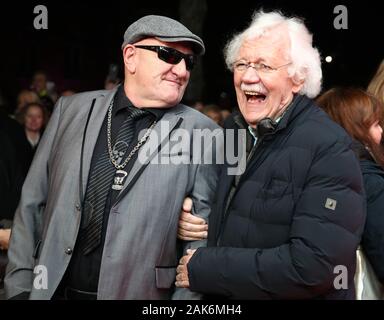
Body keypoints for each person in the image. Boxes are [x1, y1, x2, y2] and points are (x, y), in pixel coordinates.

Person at [5, 15, 221, 300]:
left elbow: (198, 244)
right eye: (169, 55)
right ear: (131, 57)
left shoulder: (204, 133)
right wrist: (19, 290)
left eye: (188, 62)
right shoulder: (71, 110)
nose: (181, 70)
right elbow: (32, 204)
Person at [175, 10, 365, 299]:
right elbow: (230, 211)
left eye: (264, 66)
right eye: (242, 64)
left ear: (298, 79)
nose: (249, 77)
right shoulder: (233, 129)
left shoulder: (329, 147)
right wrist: (193, 218)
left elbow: (314, 267)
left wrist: (206, 267)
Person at [316, 87, 384, 295]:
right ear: (355, 129)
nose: (381, 131)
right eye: (375, 124)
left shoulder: (314, 171)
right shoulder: (368, 179)